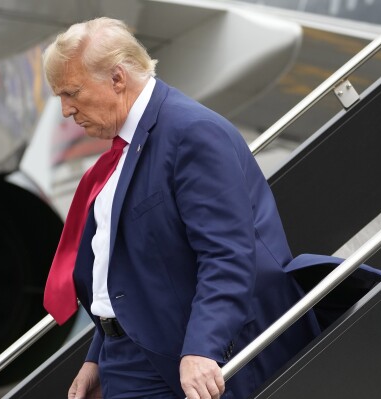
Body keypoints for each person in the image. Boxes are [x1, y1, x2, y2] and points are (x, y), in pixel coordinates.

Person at [41, 17, 321, 399]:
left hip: (175, 362)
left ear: (117, 78)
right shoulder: (127, 149)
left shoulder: (191, 133)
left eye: (71, 92)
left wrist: (202, 348)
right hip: (127, 357)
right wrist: (99, 354)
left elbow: (228, 255)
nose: (66, 110)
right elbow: (126, 270)